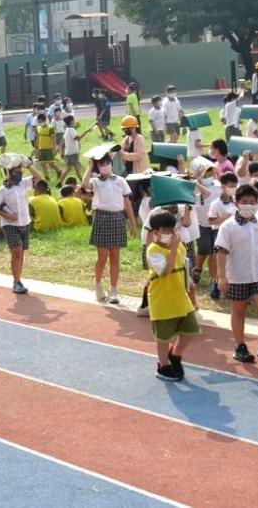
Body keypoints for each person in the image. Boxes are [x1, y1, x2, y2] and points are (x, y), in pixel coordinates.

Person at [215, 184, 258, 364]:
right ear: (237, 203)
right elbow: (221, 252)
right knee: (239, 310)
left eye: (252, 202)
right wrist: (222, 277)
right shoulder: (228, 226)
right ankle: (240, 345)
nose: (248, 205)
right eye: (244, 202)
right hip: (237, 275)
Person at [146, 210, 201, 381]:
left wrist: (189, 280)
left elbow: (183, 266)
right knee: (163, 337)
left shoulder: (180, 248)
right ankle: (163, 365)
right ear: (155, 232)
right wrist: (174, 248)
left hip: (180, 296)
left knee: (192, 329)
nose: (169, 234)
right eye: (165, 230)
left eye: (171, 230)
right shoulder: (153, 250)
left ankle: (175, 354)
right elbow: (165, 270)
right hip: (162, 299)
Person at [82, 155, 137, 303]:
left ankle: (113, 290)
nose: (105, 166)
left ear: (112, 165)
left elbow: (127, 203)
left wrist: (132, 223)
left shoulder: (120, 181)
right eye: (101, 164)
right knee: (102, 256)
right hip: (101, 217)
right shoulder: (96, 181)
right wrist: (90, 165)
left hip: (117, 218)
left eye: (107, 163)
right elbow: (85, 185)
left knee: (115, 256)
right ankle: (98, 285)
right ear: (98, 167)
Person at [0, 161, 43, 294]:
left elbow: (39, 178)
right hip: (10, 225)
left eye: (20, 171)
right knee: (17, 252)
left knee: (21, 254)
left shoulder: (23, 184)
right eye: (16, 172)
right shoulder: (2, 190)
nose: (19, 174)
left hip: (24, 222)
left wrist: (28, 166)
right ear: (8, 173)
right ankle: (16, 282)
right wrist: (7, 216)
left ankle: (18, 278)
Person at [57, 115, 86, 185]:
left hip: (69, 153)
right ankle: (84, 183)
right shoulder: (71, 130)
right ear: (71, 121)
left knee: (69, 169)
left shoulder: (67, 129)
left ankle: (59, 183)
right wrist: (86, 131)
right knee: (76, 170)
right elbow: (78, 138)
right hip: (72, 153)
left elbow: (63, 142)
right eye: (74, 119)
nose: (75, 120)